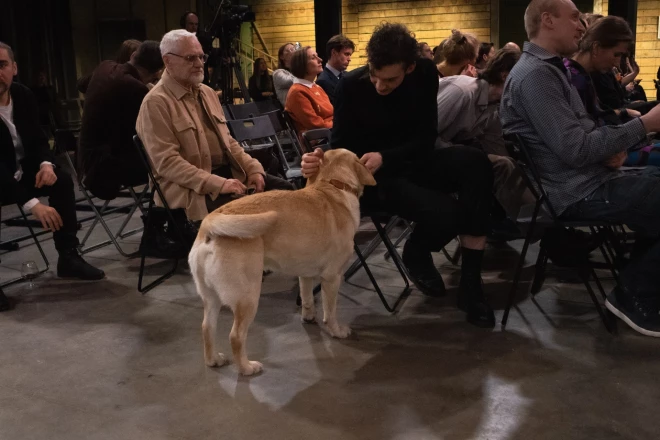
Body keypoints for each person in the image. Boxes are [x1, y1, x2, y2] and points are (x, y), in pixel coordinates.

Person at [301, 23, 496, 328]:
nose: (380, 85)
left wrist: (387, 156)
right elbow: (340, 146)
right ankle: (417, 250)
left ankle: (471, 284)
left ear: (410, 67)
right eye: (375, 75)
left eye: (390, 79)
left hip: (410, 160)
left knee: (476, 162)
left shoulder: (426, 75)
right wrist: (319, 160)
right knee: (450, 213)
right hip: (374, 179)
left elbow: (425, 136)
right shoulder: (352, 85)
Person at [500, 0, 660, 336]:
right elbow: (575, 149)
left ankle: (640, 286)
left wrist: (612, 147)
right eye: (574, 18)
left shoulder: (548, 70)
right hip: (576, 191)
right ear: (547, 20)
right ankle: (634, 294)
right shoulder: (536, 77)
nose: (581, 26)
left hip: (587, 179)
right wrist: (645, 124)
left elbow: (583, 134)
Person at [135, 30, 293, 224]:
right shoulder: (155, 103)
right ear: (168, 61)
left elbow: (230, 142)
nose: (200, 64)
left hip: (227, 174)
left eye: (202, 57)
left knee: (291, 196)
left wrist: (253, 169)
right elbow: (168, 163)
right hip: (190, 189)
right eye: (190, 58)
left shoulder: (208, 93)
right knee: (256, 217)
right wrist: (218, 184)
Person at [0, 42, 105, 280]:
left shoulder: (23, 95)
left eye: (2, 65)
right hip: (2, 178)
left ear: (14, 68)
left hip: (21, 172)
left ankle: (68, 256)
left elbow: (38, 138)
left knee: (62, 180)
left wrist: (46, 164)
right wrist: (32, 204)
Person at [436, 48, 533, 222]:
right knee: (495, 165)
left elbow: (496, 146)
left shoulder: (493, 106)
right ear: (505, 76)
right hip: (423, 156)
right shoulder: (463, 91)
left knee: (507, 163)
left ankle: (527, 224)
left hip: (452, 157)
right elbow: (424, 133)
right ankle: (533, 226)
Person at [79, 41, 163, 201]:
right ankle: (162, 217)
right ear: (157, 73)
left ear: (133, 56)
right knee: (169, 164)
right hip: (103, 167)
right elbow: (144, 132)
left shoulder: (105, 66)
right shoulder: (134, 88)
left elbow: (82, 83)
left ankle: (161, 216)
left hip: (87, 158)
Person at [565, 16, 640, 127]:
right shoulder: (575, 79)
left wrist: (624, 112)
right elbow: (590, 134)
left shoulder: (581, 73)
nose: (617, 63)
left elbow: (596, 114)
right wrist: (644, 125)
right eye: (616, 54)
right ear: (596, 48)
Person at [284, 47, 333, 138]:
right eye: (313, 58)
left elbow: (332, 114)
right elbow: (315, 125)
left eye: (317, 56)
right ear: (302, 65)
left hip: (331, 133)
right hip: (318, 141)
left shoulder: (316, 87)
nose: (320, 60)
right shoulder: (297, 92)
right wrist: (339, 124)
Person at [316, 35, 355, 104]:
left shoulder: (347, 75)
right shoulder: (323, 81)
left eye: (350, 55)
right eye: (346, 54)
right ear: (334, 53)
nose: (349, 59)